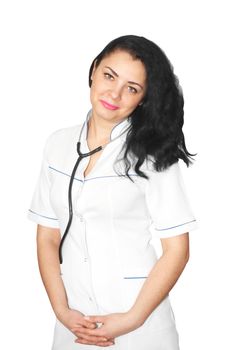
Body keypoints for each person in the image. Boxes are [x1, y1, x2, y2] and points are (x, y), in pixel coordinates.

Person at [27, 35, 198, 350]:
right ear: (93, 70)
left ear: (143, 98)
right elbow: (47, 236)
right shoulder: (57, 145)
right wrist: (61, 310)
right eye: (109, 76)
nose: (115, 93)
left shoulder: (154, 155)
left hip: (139, 327)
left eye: (132, 88)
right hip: (73, 325)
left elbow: (177, 250)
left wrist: (132, 318)